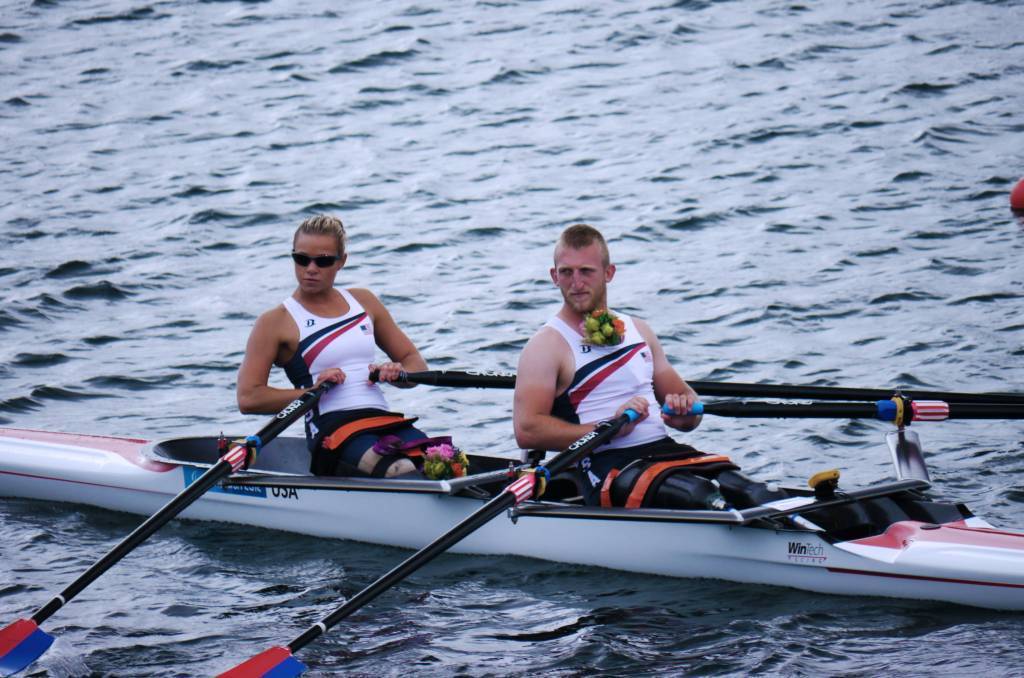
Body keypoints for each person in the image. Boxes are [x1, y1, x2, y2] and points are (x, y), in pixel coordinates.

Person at [513, 224, 713, 507]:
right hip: (607, 467)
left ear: (609, 273)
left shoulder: (639, 330)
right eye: (566, 272)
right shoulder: (545, 346)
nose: (576, 282)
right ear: (554, 277)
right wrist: (608, 429)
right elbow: (528, 430)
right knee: (699, 495)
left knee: (746, 489)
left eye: (586, 271)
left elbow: (690, 411)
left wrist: (685, 415)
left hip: (665, 454)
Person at [237, 214, 438, 478]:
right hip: (332, 430)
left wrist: (397, 374)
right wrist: (313, 391)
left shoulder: (364, 302)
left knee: (447, 465)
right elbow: (249, 398)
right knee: (403, 471)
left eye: (322, 261)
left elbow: (414, 363)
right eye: (301, 259)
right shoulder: (275, 322)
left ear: (341, 261)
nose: (310, 268)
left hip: (383, 420)